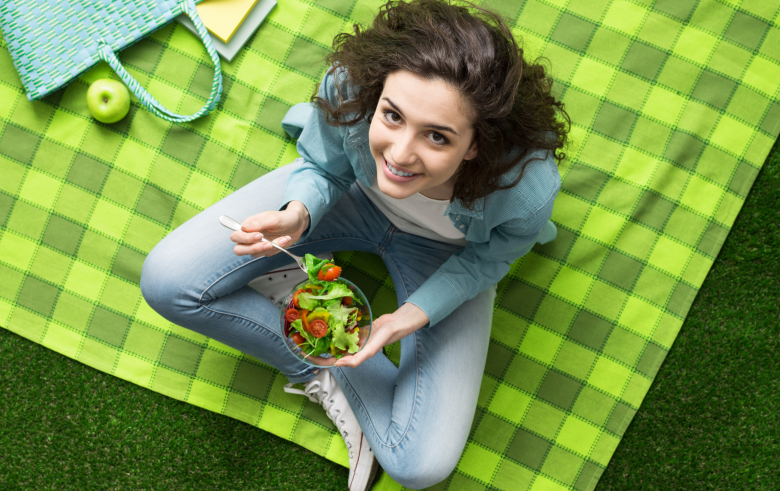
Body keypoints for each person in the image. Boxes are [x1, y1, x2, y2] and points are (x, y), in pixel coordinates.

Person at [140, 0, 569, 488]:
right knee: (166, 281)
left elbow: (488, 261)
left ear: (476, 145)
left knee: (418, 467)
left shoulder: (525, 187)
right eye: (391, 116)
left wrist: (409, 316)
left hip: (446, 255)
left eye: (437, 137)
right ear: (377, 94)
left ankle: (315, 330)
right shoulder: (350, 85)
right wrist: (298, 211)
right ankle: (316, 348)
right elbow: (321, 164)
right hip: (347, 198)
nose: (400, 156)